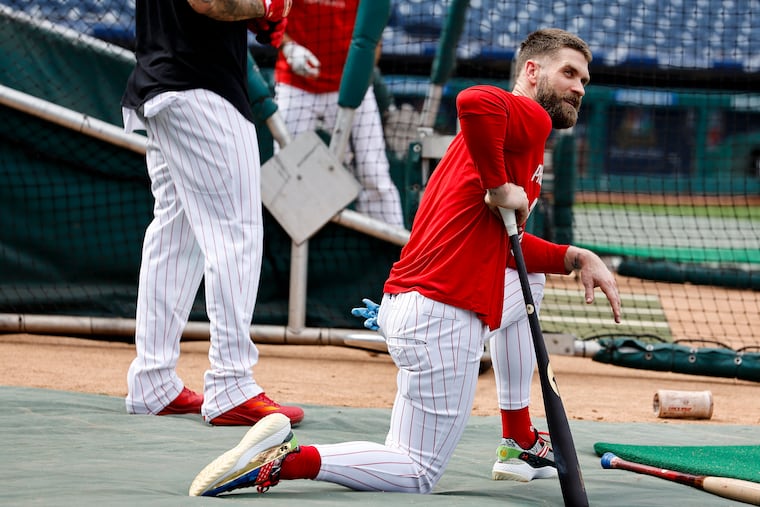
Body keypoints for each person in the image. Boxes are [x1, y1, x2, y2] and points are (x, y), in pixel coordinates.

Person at [188, 28, 621, 496]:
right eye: (569, 73)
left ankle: (518, 441)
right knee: (415, 472)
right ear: (532, 72)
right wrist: (498, 186)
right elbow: (474, 100)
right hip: (442, 318)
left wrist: (575, 257)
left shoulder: (512, 141)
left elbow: (509, 250)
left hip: (411, 306)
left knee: (530, 283)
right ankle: (288, 459)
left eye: (585, 79)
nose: (579, 86)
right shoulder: (527, 117)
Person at [120, 0, 304, 427]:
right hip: (200, 89)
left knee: (175, 236)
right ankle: (231, 384)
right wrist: (265, 5)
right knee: (235, 236)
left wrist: (256, 12)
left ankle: (153, 381)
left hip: (166, 81)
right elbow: (209, 1)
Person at [273, 0, 405, 227]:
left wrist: (362, 77)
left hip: (350, 83)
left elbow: (374, 37)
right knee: (285, 173)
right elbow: (269, 17)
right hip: (296, 84)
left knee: (374, 173)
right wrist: (288, 47)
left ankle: (395, 251)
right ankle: (287, 249)